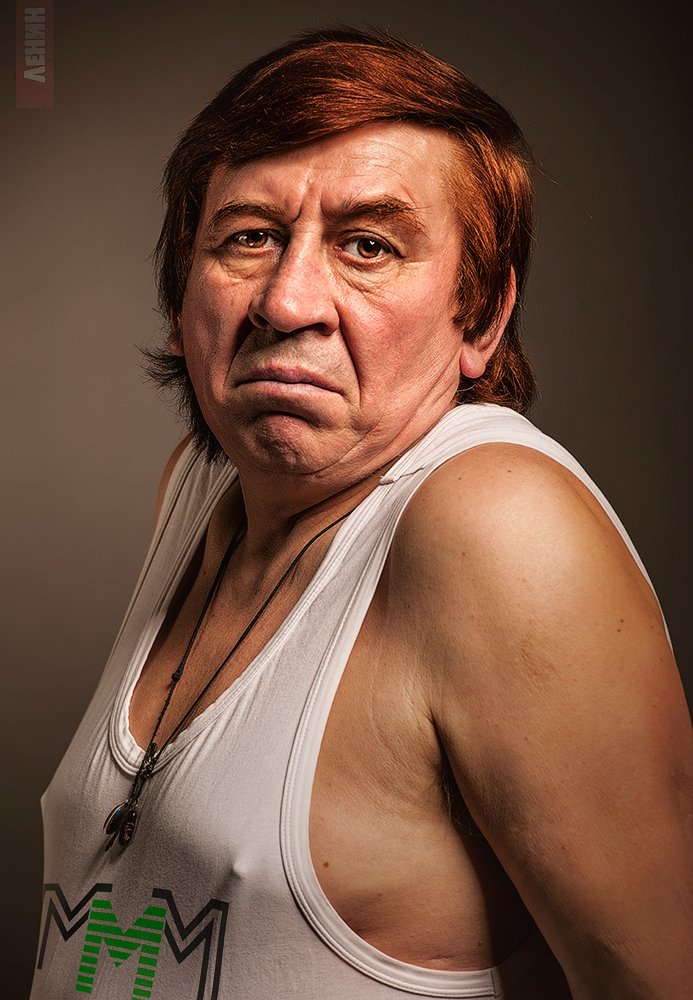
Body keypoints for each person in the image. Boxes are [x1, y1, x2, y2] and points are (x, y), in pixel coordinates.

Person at [32, 28, 691, 1000]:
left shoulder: (497, 526)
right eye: (249, 237)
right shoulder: (202, 488)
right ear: (180, 300)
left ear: (480, 317)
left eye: (369, 246)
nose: (287, 300)